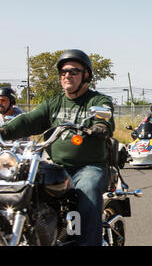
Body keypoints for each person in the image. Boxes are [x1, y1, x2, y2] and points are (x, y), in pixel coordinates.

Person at [0, 49, 114, 246]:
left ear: (86, 75)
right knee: (21, 186)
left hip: (88, 167)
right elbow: (28, 121)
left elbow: (106, 119)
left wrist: (100, 127)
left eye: (73, 71)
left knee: (87, 189)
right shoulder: (53, 104)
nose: (67, 75)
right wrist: (3, 131)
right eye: (63, 72)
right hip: (56, 165)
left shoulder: (97, 101)